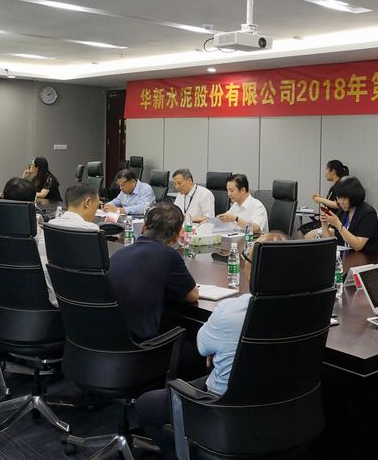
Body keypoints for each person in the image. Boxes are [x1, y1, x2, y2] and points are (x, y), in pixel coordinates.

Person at [135, 232, 289, 459]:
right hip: (284, 410)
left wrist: (219, 347)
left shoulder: (229, 311)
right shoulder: (308, 312)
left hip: (223, 407)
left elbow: (202, 348)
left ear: (251, 269)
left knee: (146, 404)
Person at [107, 202, 199, 341]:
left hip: (110, 338)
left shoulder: (120, 253)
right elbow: (192, 295)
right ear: (177, 235)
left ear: (143, 228)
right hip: (140, 345)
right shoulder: (169, 255)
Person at [37, 184, 101, 306]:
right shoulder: (91, 231)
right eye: (96, 207)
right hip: (83, 302)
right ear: (87, 203)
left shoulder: (49, 226)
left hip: (51, 298)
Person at [320, 176, 378, 252]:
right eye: (339, 198)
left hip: (366, 256)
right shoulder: (342, 210)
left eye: (344, 199)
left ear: (354, 196)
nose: (341, 202)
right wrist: (324, 223)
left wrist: (338, 224)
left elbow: (358, 246)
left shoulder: (368, 213)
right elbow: (328, 241)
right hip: (346, 254)